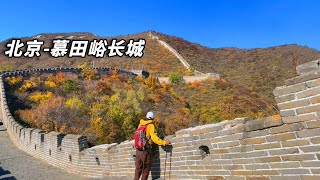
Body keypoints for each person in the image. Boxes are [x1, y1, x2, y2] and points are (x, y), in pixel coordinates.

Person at [134, 111, 169, 180]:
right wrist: (163, 142)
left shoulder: (140, 124)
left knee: (138, 169)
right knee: (146, 169)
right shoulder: (150, 125)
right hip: (146, 151)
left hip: (138, 150)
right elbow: (154, 138)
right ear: (152, 118)